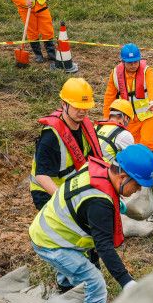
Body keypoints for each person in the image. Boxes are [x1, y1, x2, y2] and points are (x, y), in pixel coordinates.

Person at [29, 144, 153, 303]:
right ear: (123, 176)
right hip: (52, 243)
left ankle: (67, 296)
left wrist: (121, 207)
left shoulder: (100, 168)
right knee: (95, 282)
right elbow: (104, 247)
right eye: (137, 184)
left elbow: (89, 196)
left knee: (71, 271)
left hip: (49, 230)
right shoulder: (98, 204)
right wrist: (126, 281)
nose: (138, 190)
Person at [30, 78, 102, 210]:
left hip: (73, 187)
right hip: (48, 193)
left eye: (85, 107)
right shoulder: (51, 137)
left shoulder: (85, 127)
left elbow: (93, 162)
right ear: (64, 104)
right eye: (77, 107)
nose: (82, 111)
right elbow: (41, 176)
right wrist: (65, 202)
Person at [103, 43, 153, 151]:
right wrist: (106, 116)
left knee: (147, 142)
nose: (133, 65)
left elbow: (152, 87)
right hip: (130, 117)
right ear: (123, 62)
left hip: (148, 114)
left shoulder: (147, 71)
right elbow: (109, 96)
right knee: (132, 144)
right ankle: (137, 166)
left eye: (135, 62)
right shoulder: (115, 74)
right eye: (130, 63)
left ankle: (149, 164)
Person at [96, 99, 135, 163]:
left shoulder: (97, 127)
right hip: (106, 171)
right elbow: (132, 162)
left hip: (88, 168)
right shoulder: (124, 134)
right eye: (129, 119)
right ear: (125, 117)